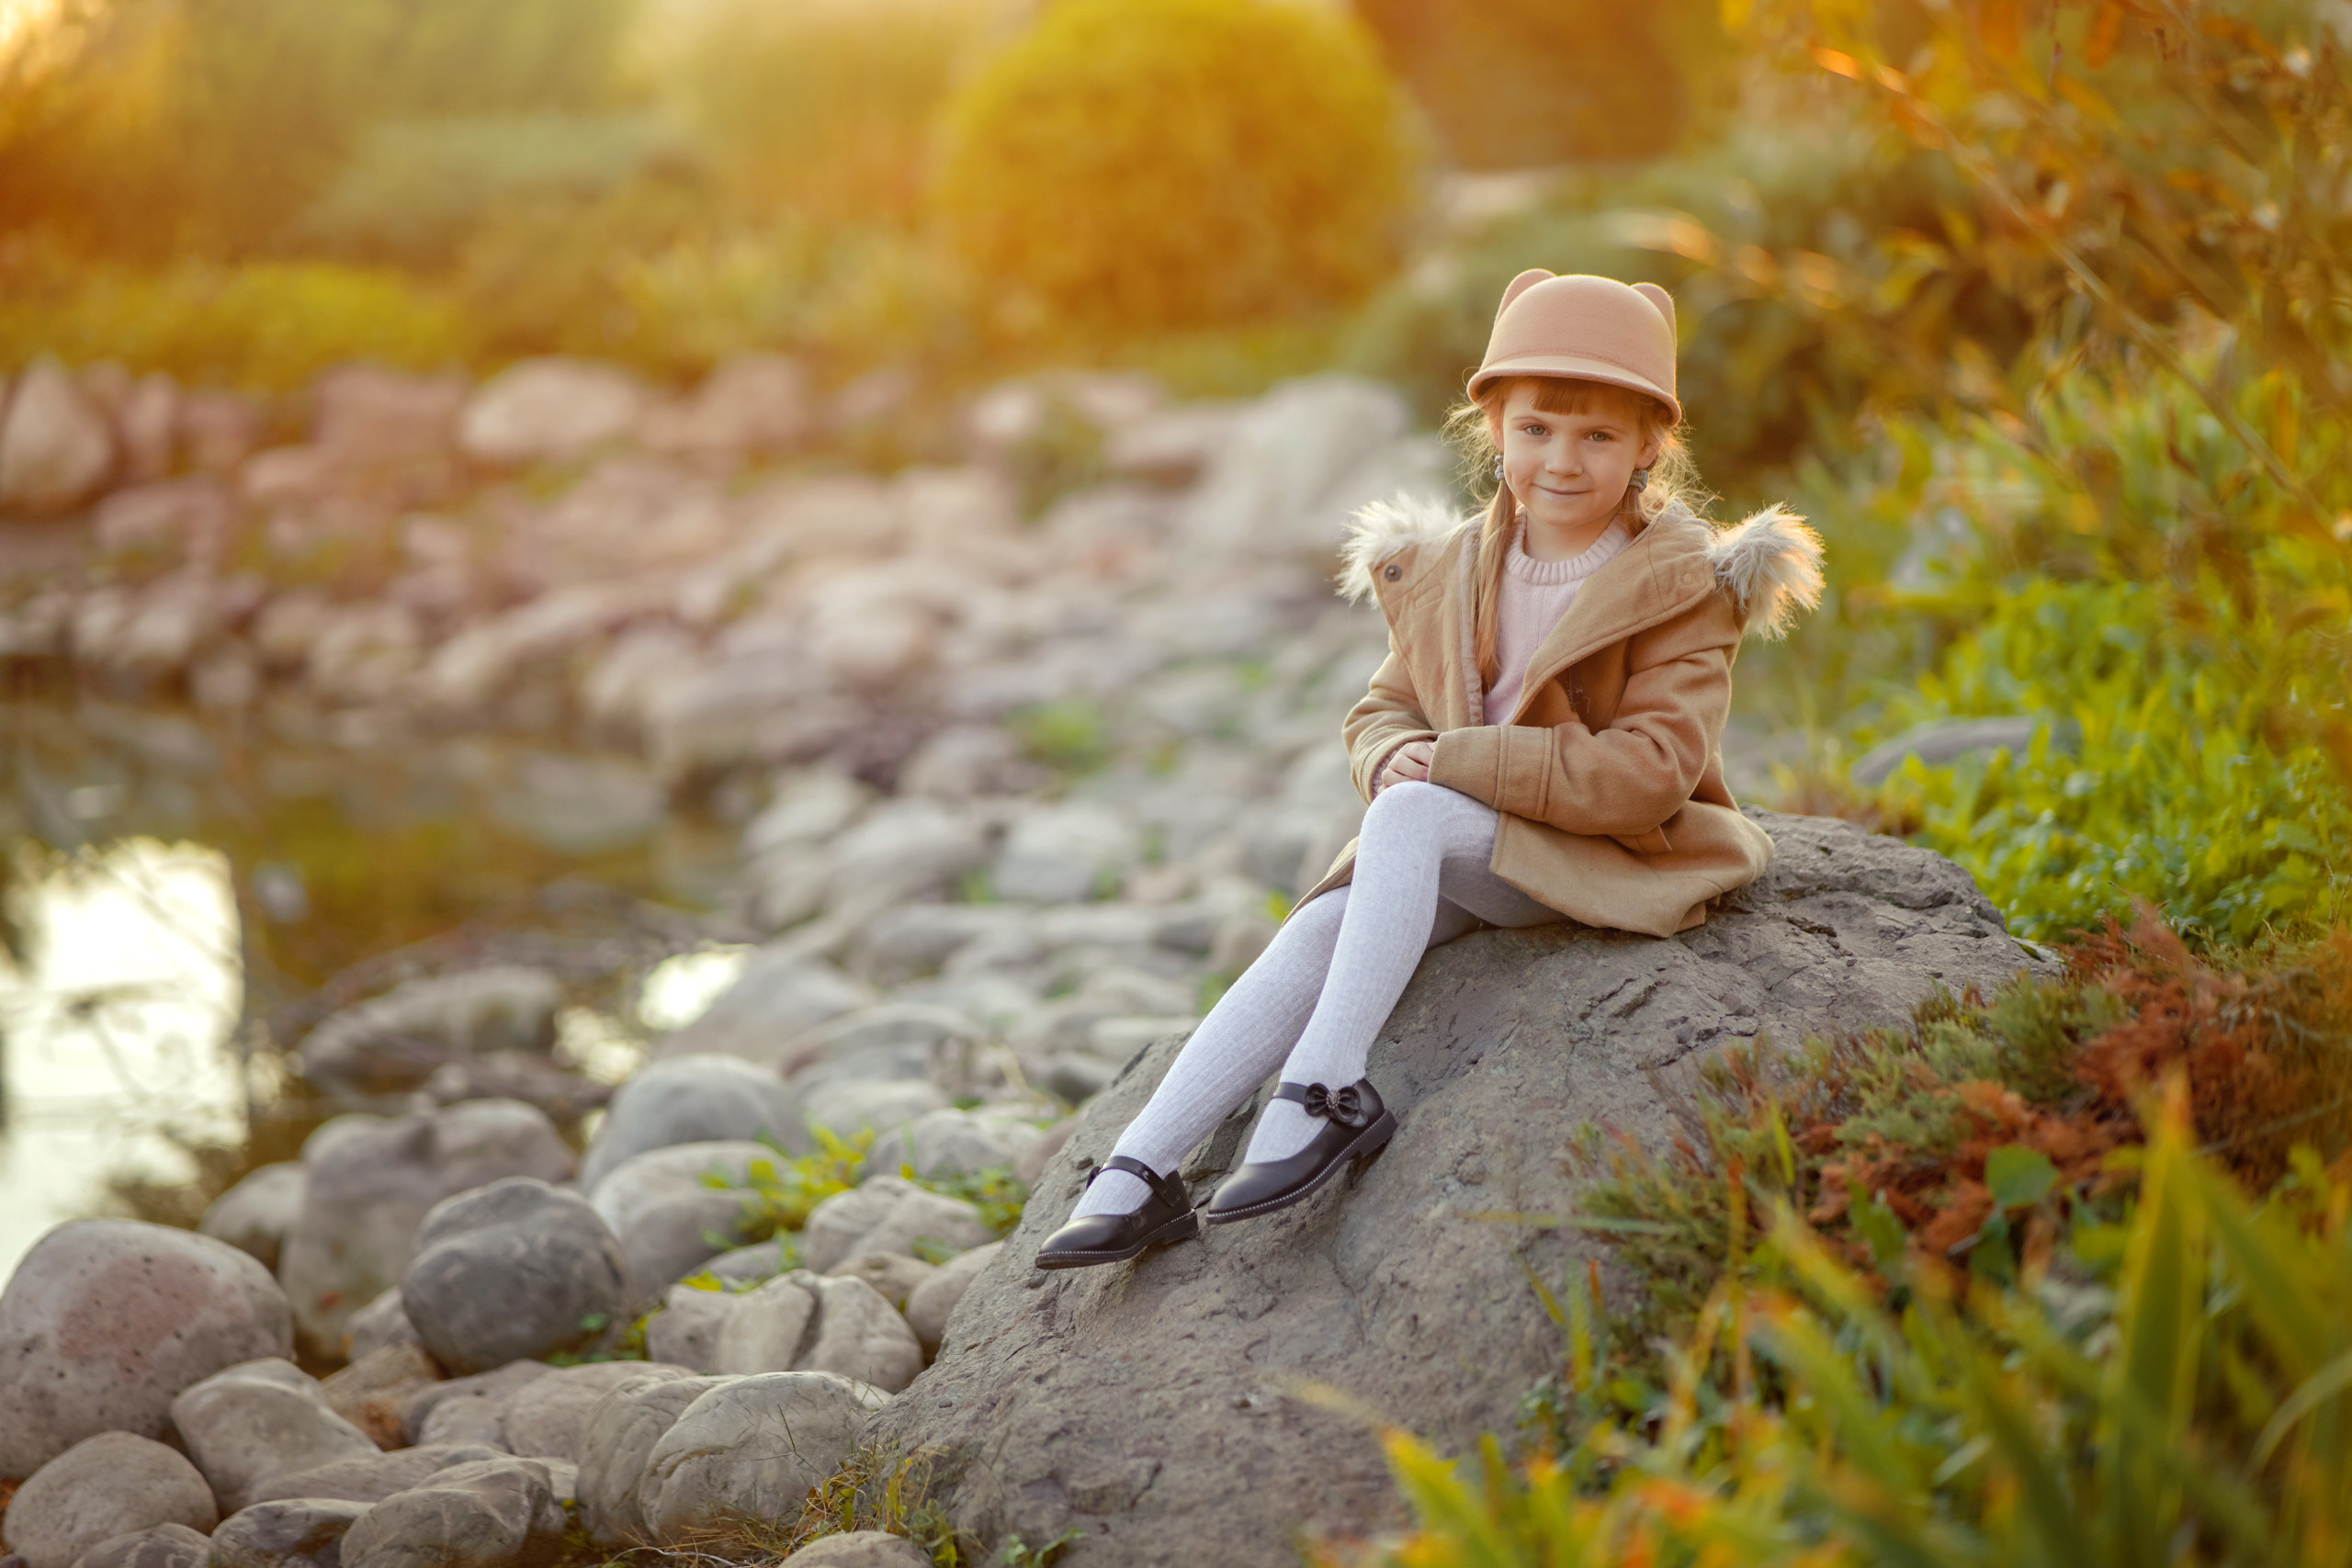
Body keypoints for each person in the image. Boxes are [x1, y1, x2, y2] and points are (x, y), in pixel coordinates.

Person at [1035, 270, 1826, 1269]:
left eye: (1597, 437)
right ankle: (1139, 1170)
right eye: (1535, 429)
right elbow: (1381, 709)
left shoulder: (1682, 586)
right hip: (1480, 846)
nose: (1562, 461)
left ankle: (1324, 1088)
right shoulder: (1451, 565)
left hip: (1604, 854)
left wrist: (1446, 762)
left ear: (1648, 448)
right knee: (1325, 917)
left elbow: (1651, 771)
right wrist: (1387, 754)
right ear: (1491, 426)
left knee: (1405, 822)